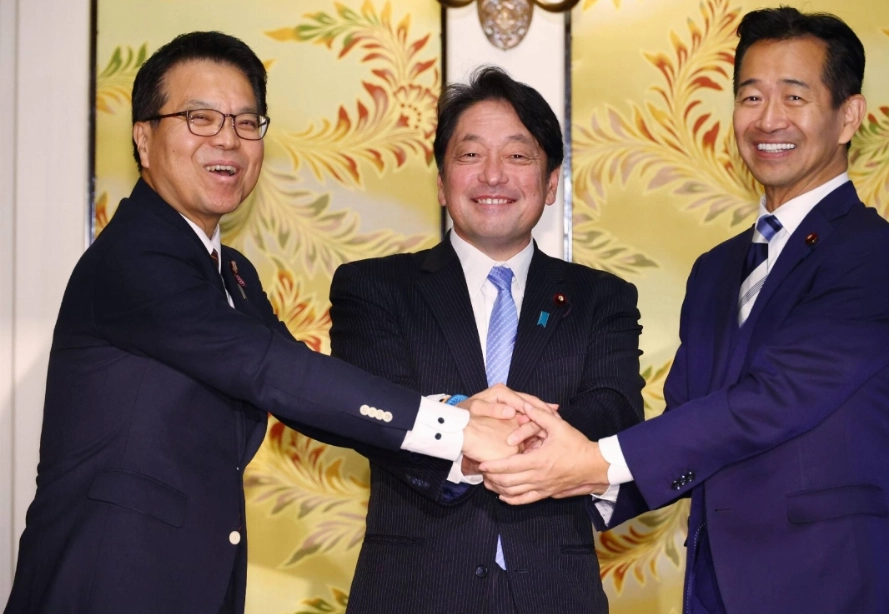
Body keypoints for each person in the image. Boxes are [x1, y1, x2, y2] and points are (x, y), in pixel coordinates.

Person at [4, 32, 531, 614]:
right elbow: (270, 369)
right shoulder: (134, 258)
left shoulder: (232, 273)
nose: (227, 139)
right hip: (104, 582)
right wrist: (455, 430)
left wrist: (455, 416)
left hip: (194, 584)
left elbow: (302, 386)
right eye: (199, 118)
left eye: (246, 121)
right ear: (144, 138)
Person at [481, 7, 889, 614]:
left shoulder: (871, 254)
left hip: (837, 582)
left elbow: (772, 400)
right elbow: (692, 413)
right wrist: (573, 476)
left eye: (794, 97)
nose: (768, 119)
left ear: (848, 115)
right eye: (750, 96)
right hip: (719, 585)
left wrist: (592, 461)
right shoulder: (718, 269)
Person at [317, 66, 644, 613]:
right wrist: (479, 428)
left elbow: (615, 410)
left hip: (555, 590)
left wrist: (483, 427)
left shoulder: (602, 298)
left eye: (517, 156)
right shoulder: (373, 288)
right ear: (442, 182)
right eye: (470, 155)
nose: (493, 175)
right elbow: (372, 411)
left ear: (550, 181)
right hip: (413, 590)